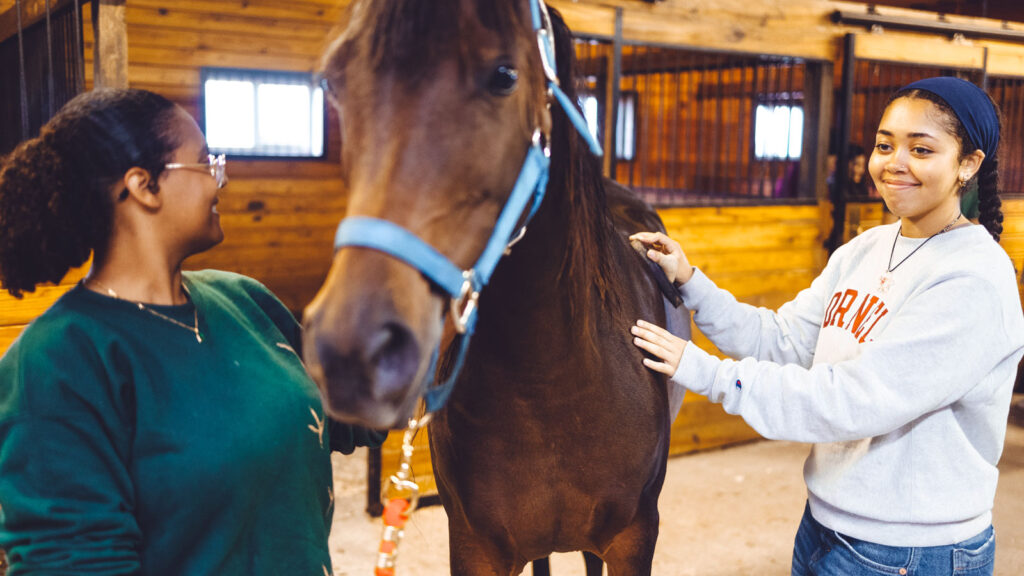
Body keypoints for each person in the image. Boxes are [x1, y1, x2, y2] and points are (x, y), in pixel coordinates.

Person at [630, 76, 1024, 575]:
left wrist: (706, 373)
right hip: (826, 522)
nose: (893, 163)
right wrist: (690, 282)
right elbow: (782, 340)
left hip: (908, 550)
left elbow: (854, 399)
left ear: (968, 164)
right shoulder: (865, 249)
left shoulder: (974, 278)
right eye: (885, 145)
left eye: (921, 149)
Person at [0, 88, 385, 574]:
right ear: (144, 186)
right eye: (205, 163)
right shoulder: (58, 363)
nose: (220, 180)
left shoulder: (243, 300)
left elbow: (353, 410)